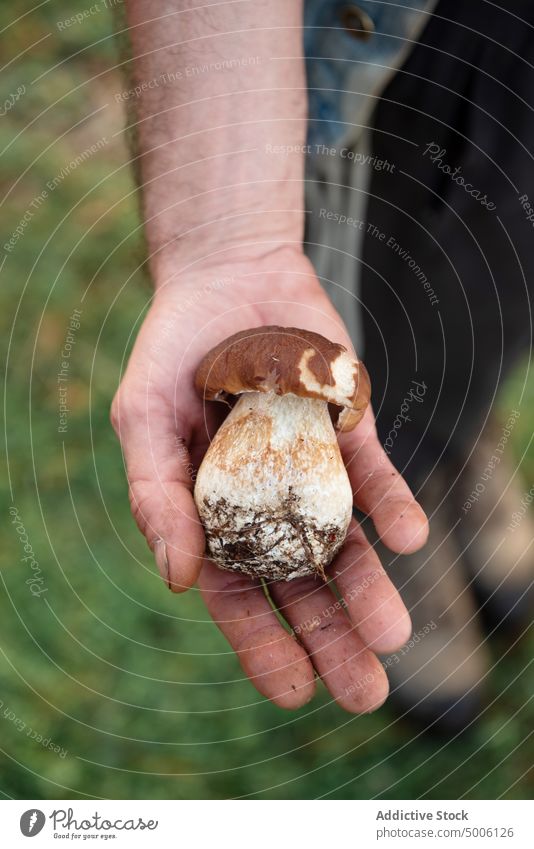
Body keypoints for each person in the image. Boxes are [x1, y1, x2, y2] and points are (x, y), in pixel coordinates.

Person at [112, 1, 533, 730]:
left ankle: (458, 435)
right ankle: (411, 468)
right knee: (385, 293)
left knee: (498, 286)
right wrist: (225, 236)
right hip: (392, 44)